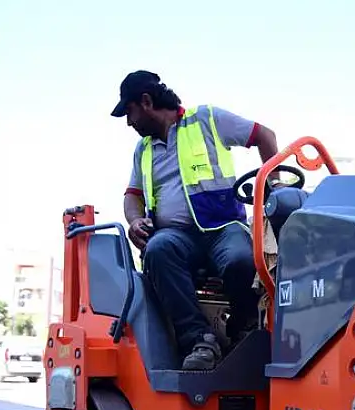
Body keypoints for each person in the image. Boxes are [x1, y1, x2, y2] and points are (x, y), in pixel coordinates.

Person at [112, 70, 280, 370]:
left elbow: (265, 136)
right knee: (158, 250)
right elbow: (132, 195)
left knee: (243, 259)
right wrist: (134, 220)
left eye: (130, 111)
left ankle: (244, 330)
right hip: (176, 237)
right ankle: (200, 340)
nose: (129, 122)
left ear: (147, 101)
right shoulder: (143, 150)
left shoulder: (206, 119)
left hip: (222, 229)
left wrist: (274, 188)